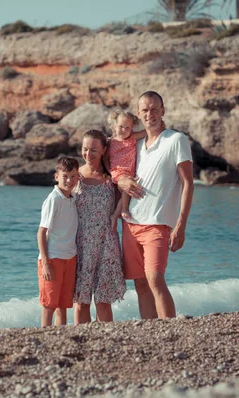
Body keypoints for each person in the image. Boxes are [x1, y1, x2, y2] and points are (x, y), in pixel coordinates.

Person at [117, 91, 194, 320]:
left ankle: (169, 327)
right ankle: (150, 331)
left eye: (154, 109)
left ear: (163, 111)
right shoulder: (136, 144)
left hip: (158, 225)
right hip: (131, 223)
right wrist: (120, 180)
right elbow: (114, 164)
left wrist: (181, 225)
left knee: (155, 278)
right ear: (139, 114)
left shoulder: (176, 139)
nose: (150, 114)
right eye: (145, 110)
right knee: (140, 283)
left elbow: (188, 183)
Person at [72, 129, 127, 324]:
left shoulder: (113, 176)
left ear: (104, 149)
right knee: (81, 300)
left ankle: (106, 339)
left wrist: (116, 214)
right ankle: (80, 341)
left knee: (103, 300)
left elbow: (124, 199)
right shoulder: (74, 176)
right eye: (85, 149)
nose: (88, 154)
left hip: (107, 242)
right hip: (80, 244)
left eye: (94, 150)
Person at [37, 157, 80, 327]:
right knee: (49, 305)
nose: (69, 180)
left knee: (63, 306)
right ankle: (44, 335)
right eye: (65, 176)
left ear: (77, 178)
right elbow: (41, 232)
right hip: (53, 259)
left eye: (73, 176)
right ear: (57, 177)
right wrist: (46, 263)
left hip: (70, 258)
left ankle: (59, 338)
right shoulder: (53, 199)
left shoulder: (73, 198)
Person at [106, 110, 147, 224]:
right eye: (121, 126)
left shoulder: (132, 138)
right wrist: (108, 172)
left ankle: (116, 215)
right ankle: (123, 209)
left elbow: (146, 132)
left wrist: (159, 127)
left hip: (128, 173)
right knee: (127, 186)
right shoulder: (110, 142)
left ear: (132, 129)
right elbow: (104, 157)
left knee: (127, 189)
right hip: (117, 172)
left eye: (127, 128)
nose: (124, 130)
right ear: (115, 126)